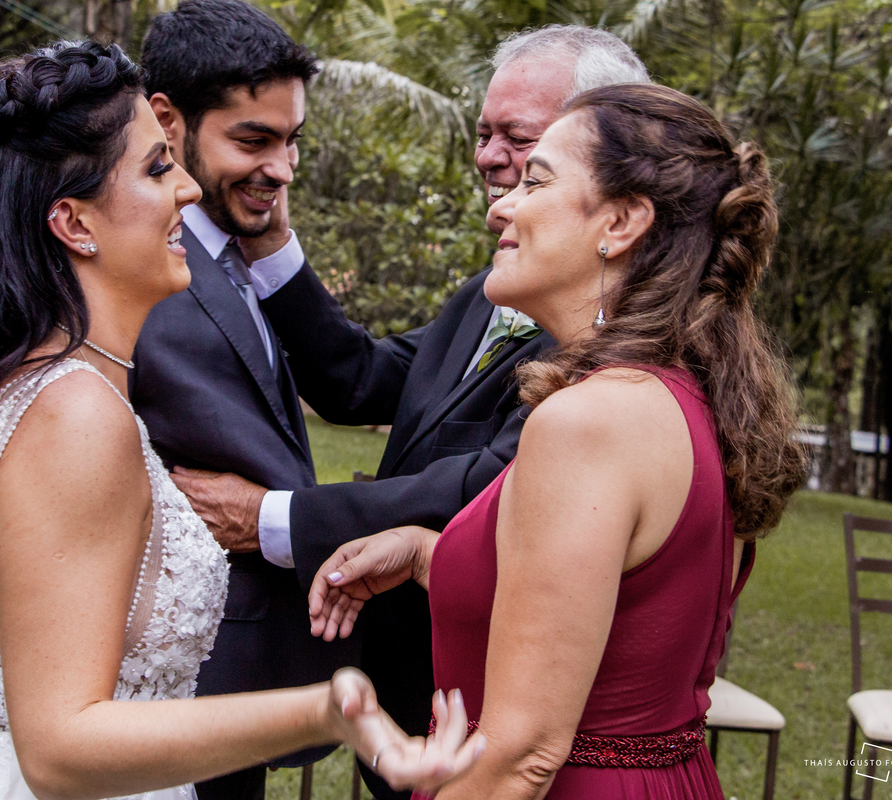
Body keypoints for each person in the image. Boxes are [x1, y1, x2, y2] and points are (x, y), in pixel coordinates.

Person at [0, 41, 481, 800]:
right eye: (158, 168)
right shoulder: (74, 412)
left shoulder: (12, 389)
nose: (187, 188)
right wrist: (325, 710)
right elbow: (58, 748)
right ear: (74, 223)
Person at [172, 24, 648, 799]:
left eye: (520, 140)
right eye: (484, 133)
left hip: (503, 729)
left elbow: (490, 487)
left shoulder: (621, 349)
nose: (488, 157)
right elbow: (364, 381)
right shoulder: (491, 291)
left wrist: (271, 518)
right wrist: (274, 251)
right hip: (417, 706)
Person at [308, 83, 809, 799]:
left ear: (622, 221)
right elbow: (625, 611)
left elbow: (524, 756)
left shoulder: (588, 421)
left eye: (536, 182)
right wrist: (428, 553)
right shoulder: (685, 393)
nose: (501, 206)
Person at [128, 3, 358, 798]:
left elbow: (350, 378)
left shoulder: (237, 254)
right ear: (168, 122)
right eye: (253, 141)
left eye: (291, 141)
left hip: (240, 662)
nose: (282, 168)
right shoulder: (134, 264)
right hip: (171, 666)